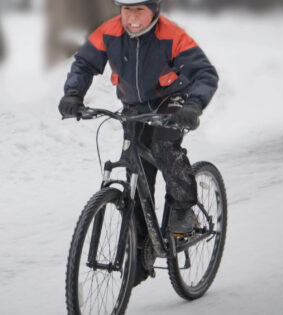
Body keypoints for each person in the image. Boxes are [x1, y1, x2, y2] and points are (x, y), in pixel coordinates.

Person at [58, 0, 219, 235]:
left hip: (171, 100)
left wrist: (193, 105)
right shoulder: (108, 32)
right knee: (135, 164)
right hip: (134, 105)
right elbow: (84, 63)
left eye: (139, 10)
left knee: (164, 147)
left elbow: (205, 74)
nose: (132, 17)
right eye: (127, 10)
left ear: (154, 10)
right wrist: (73, 94)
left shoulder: (172, 35)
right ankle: (141, 247)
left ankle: (183, 208)